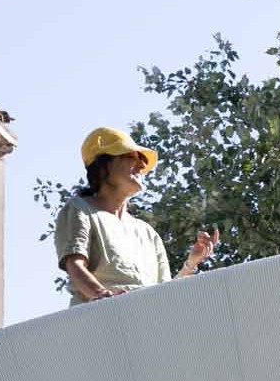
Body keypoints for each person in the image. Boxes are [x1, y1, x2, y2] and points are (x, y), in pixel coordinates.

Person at [54, 127, 218, 302]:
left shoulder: (147, 233)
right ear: (102, 166)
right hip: (98, 324)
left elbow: (163, 295)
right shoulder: (80, 209)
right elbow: (75, 265)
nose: (141, 165)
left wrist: (190, 264)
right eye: (130, 156)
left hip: (145, 324)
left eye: (142, 159)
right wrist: (101, 296)